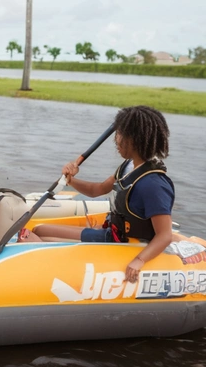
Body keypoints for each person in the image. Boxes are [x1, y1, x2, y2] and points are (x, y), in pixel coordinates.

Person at [31, 105, 174, 283]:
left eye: (120, 134)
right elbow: (96, 190)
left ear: (135, 139)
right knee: (39, 229)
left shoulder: (153, 185)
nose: (116, 140)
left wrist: (139, 260)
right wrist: (70, 180)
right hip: (111, 233)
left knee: (37, 236)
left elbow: (165, 235)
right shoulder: (129, 167)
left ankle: (42, 273)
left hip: (125, 244)